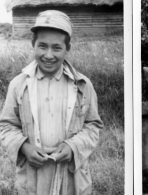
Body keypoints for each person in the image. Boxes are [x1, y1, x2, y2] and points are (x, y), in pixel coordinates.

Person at [0, 10, 103, 195]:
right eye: (42, 46)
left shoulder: (83, 85)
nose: (48, 55)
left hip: (71, 178)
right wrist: (24, 147)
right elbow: (6, 126)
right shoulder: (18, 85)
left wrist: (73, 147)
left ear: (67, 48)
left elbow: (93, 126)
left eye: (56, 48)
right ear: (33, 45)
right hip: (33, 177)